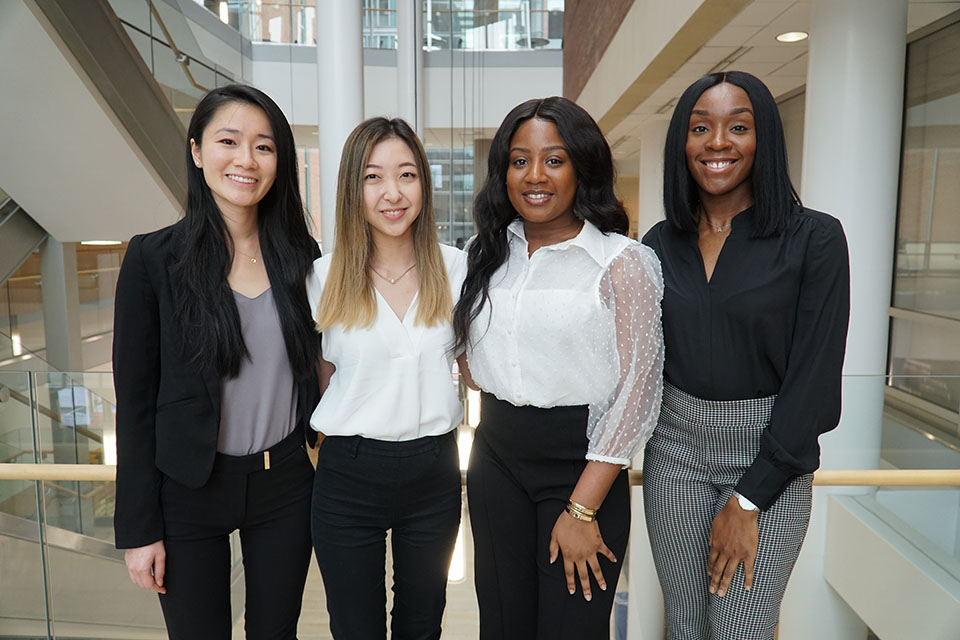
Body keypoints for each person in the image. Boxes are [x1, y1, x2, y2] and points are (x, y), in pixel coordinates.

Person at [641, 70, 850, 640]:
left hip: (769, 459)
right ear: (681, 143)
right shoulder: (659, 244)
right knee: (685, 628)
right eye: (700, 127)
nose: (717, 143)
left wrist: (750, 497)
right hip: (676, 453)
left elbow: (814, 382)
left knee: (738, 630)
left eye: (739, 127)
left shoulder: (816, 239)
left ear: (766, 140)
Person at [452, 96, 665, 639]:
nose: (534, 175)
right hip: (496, 456)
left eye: (554, 159)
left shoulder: (621, 261)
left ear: (582, 167)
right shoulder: (484, 253)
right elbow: (472, 360)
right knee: (501, 626)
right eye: (519, 160)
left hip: (581, 463)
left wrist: (584, 508)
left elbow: (639, 388)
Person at [113, 84, 320, 639]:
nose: (246, 160)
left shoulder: (304, 261)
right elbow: (134, 403)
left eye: (265, 146)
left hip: (285, 486)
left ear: (280, 162)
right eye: (229, 141)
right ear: (198, 150)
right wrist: (138, 529)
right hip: (188, 487)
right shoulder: (152, 259)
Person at [306, 117, 465, 640]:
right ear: (353, 189)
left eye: (407, 175)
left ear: (424, 183)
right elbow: (319, 374)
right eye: (373, 177)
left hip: (434, 471)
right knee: (355, 630)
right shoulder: (321, 277)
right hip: (348, 474)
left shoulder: (459, 270)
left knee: (422, 628)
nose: (392, 193)